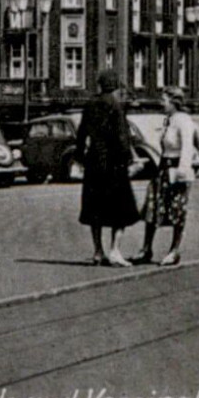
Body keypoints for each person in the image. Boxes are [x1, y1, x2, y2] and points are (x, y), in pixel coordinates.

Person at [77, 70, 140, 267]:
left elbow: (81, 134)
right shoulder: (116, 106)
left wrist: (81, 157)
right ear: (116, 87)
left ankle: (97, 251)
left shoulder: (89, 105)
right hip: (114, 165)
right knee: (121, 209)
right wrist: (130, 161)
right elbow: (122, 137)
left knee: (94, 208)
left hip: (94, 163)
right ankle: (115, 250)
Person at [137, 86, 197, 267]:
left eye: (164, 100)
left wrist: (182, 171)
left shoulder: (184, 120)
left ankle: (174, 251)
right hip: (163, 170)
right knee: (152, 208)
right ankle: (146, 249)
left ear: (173, 102)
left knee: (177, 210)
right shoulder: (169, 120)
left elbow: (187, 146)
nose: (161, 103)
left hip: (177, 170)